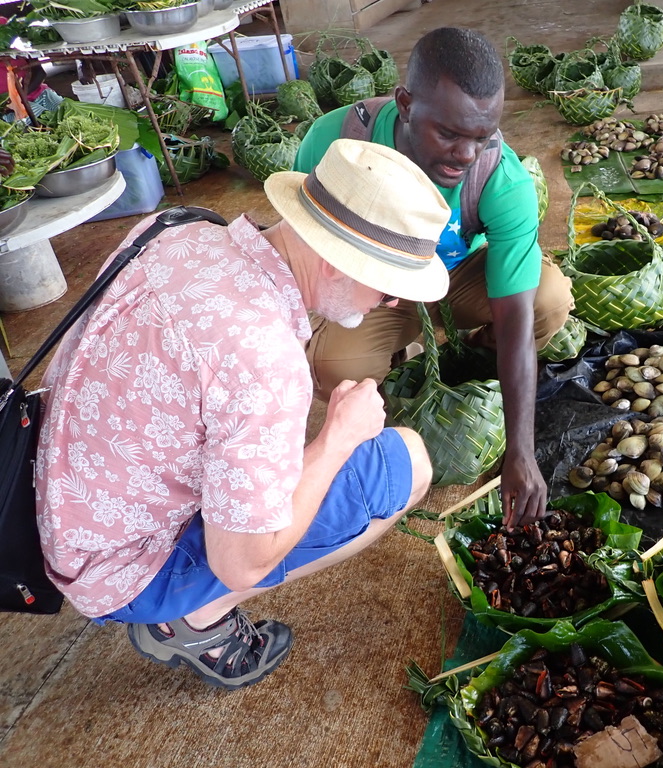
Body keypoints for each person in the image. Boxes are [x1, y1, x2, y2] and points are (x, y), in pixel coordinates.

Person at [34, 139, 452, 690]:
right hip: (116, 569)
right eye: (390, 282)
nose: (397, 301)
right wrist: (336, 440)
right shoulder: (264, 361)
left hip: (53, 501)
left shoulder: (178, 228)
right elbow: (243, 561)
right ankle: (194, 620)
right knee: (407, 464)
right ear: (334, 258)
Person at [294, 27, 574, 530]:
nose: (465, 155)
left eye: (481, 137)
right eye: (448, 133)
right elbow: (301, 256)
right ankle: (391, 400)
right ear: (405, 104)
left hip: (454, 280)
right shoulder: (334, 145)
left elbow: (516, 319)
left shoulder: (500, 179)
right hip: (375, 291)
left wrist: (521, 451)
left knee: (548, 300)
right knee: (335, 363)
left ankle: (470, 359)